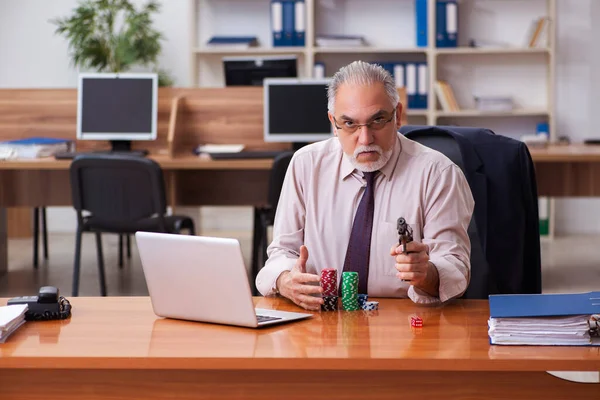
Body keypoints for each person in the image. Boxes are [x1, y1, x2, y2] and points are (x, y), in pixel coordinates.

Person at [255, 61, 474, 310]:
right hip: (320, 318)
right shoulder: (306, 165)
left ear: (398, 115)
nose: (365, 139)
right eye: (349, 124)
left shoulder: (438, 173)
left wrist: (427, 274)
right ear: (333, 123)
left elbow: (455, 267)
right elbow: (281, 252)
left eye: (378, 120)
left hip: (403, 321)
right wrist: (285, 280)